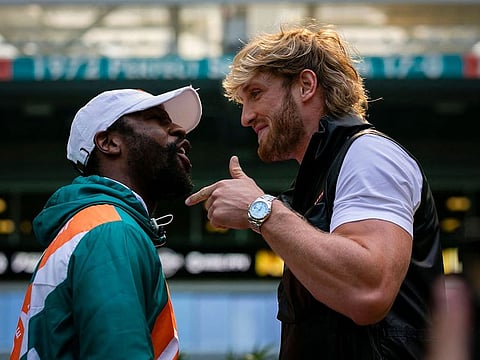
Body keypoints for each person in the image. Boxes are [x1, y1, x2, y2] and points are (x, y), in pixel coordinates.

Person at [185, 23, 444, 359]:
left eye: (256, 94)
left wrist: (260, 209)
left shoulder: (368, 156)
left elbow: (369, 291)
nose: (245, 118)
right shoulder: (327, 171)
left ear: (306, 85)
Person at [10, 85, 202, 359]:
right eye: (159, 121)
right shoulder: (111, 231)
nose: (181, 131)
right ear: (109, 143)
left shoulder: (93, 226)